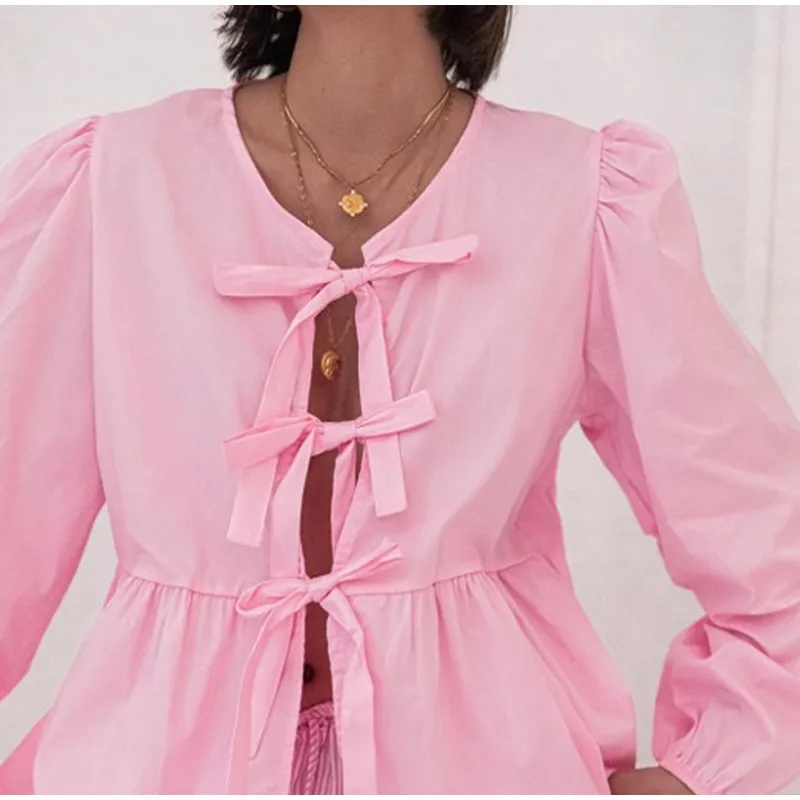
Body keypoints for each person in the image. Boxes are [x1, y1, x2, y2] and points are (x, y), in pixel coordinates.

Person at [1, 4, 799, 795]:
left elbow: (766, 537)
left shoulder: (581, 197)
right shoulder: (117, 180)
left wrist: (704, 777)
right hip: (149, 769)